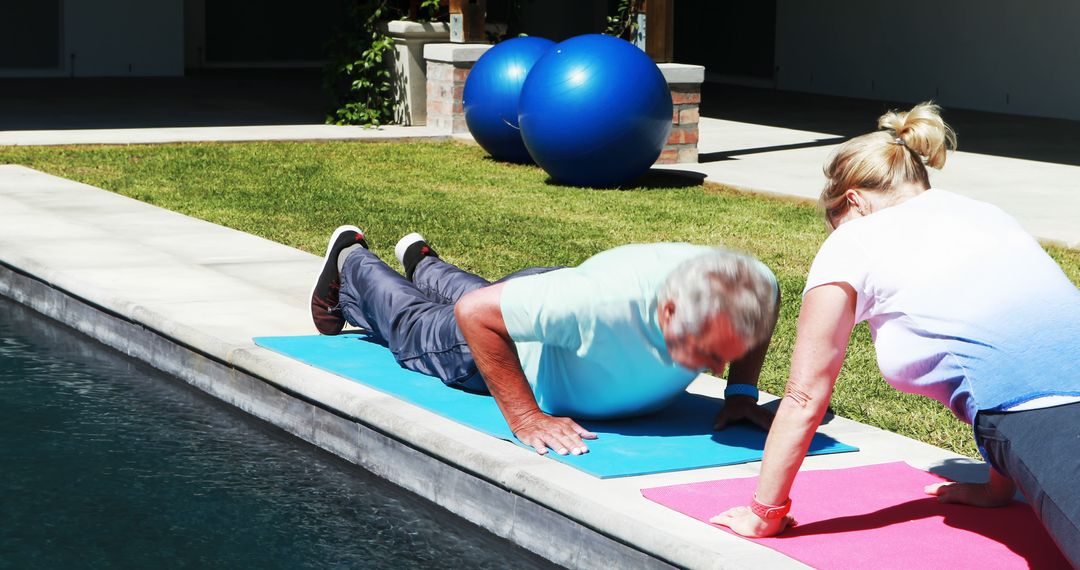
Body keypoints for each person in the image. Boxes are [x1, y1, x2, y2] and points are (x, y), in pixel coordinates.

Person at [710, 103, 1080, 565]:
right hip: (1042, 415)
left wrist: (764, 512)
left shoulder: (855, 238)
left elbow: (805, 396)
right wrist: (999, 487)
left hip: (1046, 418)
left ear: (854, 202)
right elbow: (1017, 348)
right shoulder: (983, 213)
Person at [310, 227, 781, 455]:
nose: (713, 369)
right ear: (669, 311)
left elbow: (770, 296)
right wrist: (526, 416)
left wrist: (741, 392)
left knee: (489, 295)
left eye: (725, 355)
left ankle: (422, 261)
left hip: (554, 297)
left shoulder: (752, 284)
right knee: (416, 329)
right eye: (705, 353)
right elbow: (476, 315)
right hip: (516, 344)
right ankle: (351, 260)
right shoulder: (597, 304)